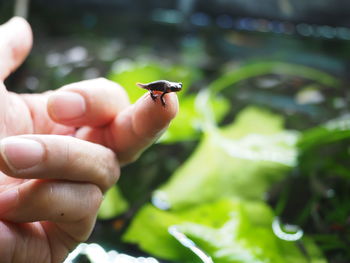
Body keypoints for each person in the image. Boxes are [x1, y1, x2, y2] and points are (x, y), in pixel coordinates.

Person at [0, 17, 178, 263]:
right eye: (174, 89)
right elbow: (156, 93)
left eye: (174, 90)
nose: (174, 91)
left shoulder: (166, 92)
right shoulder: (161, 91)